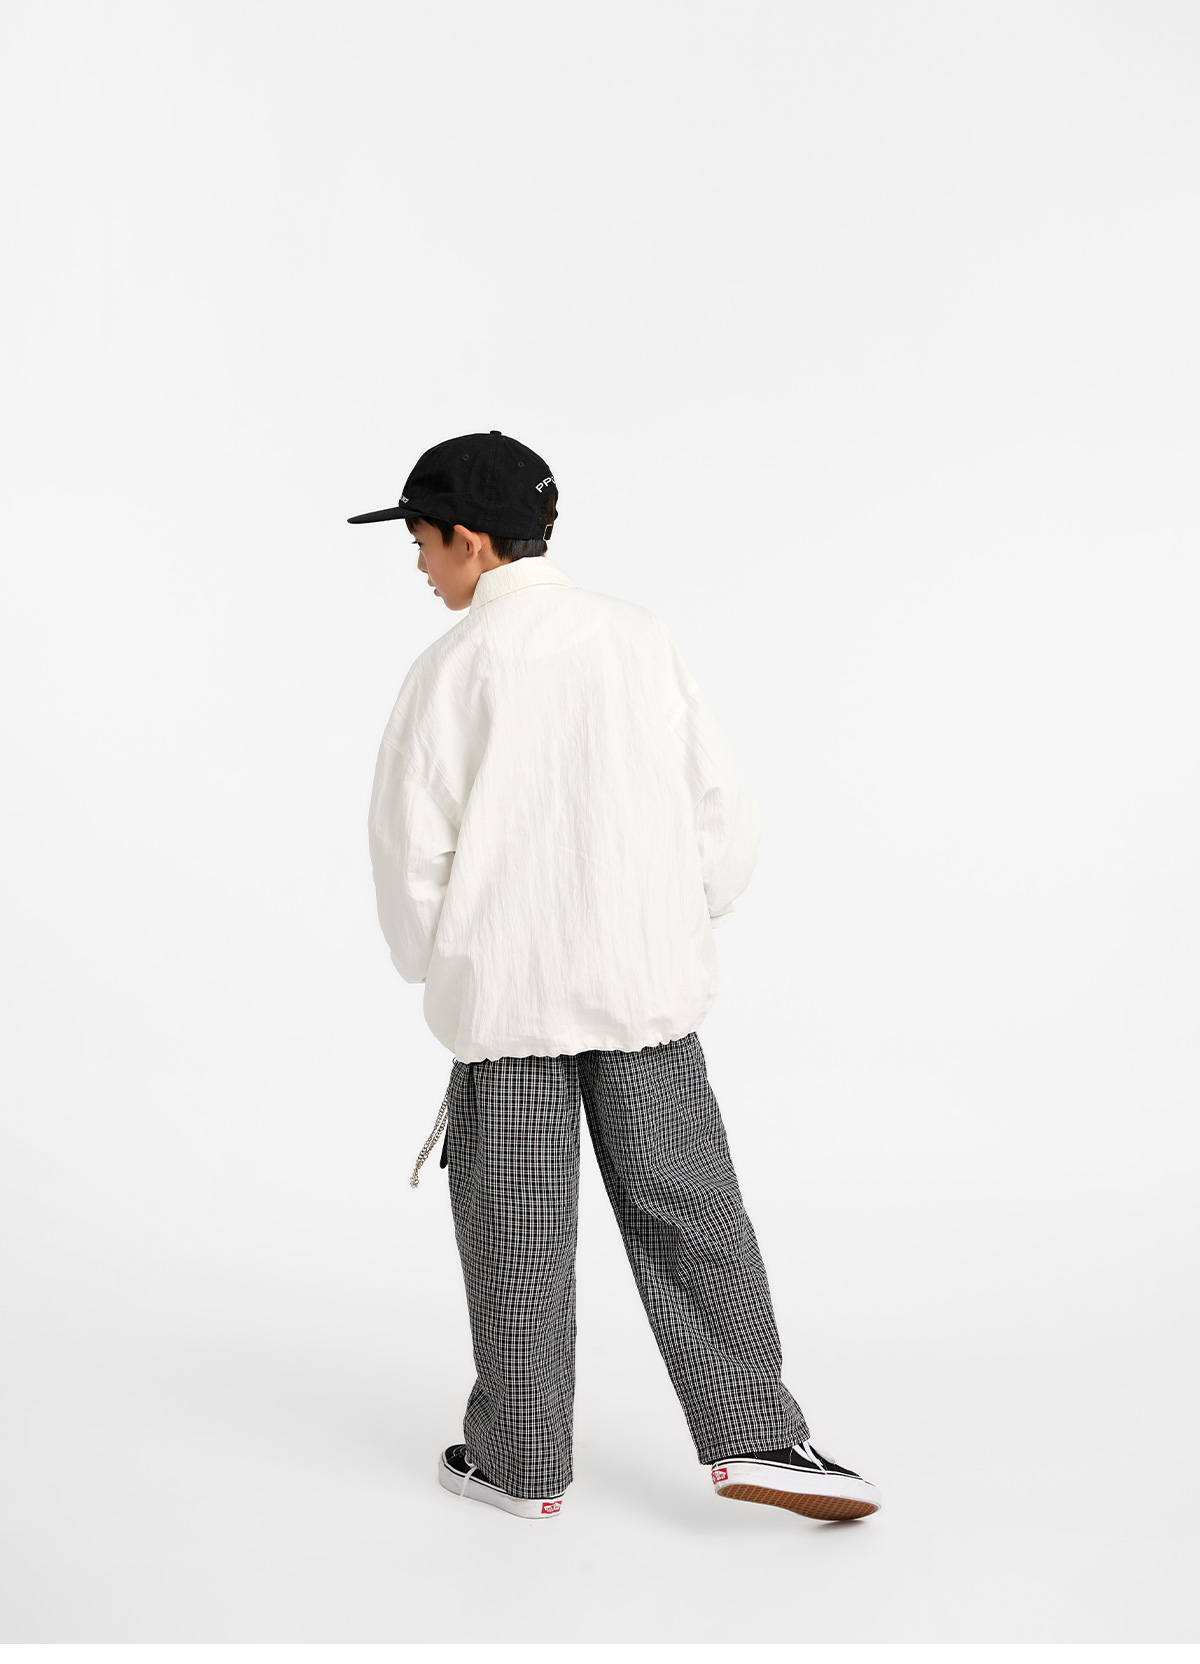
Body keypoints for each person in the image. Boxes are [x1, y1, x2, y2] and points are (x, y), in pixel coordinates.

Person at [348, 430, 881, 1524]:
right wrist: (676, 916)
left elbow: (410, 853)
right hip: (645, 985)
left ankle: (522, 1462)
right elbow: (720, 809)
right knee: (691, 1206)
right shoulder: (638, 638)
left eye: (421, 543)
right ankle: (759, 1434)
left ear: (470, 540)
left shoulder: (450, 669)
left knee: (517, 1230)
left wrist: (435, 963)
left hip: (507, 1002)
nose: (420, 567)